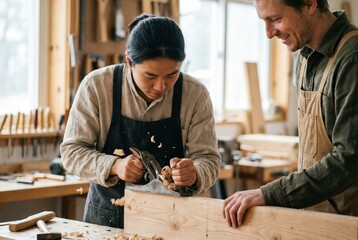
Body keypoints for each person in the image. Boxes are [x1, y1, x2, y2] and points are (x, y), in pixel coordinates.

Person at [61, 14, 221, 228]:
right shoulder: (97, 87)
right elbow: (72, 152)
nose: (161, 87)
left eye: (172, 75)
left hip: (171, 222)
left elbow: (208, 159)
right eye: (150, 76)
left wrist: (195, 173)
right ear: (128, 61)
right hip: (107, 219)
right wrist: (114, 165)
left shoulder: (195, 95)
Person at [223, 0, 358, 228]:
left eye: (276, 19)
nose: (268, 33)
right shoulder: (304, 56)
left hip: (347, 222)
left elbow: (349, 159)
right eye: (264, 21)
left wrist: (271, 193)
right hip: (313, 216)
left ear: (309, 4)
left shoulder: (352, 58)